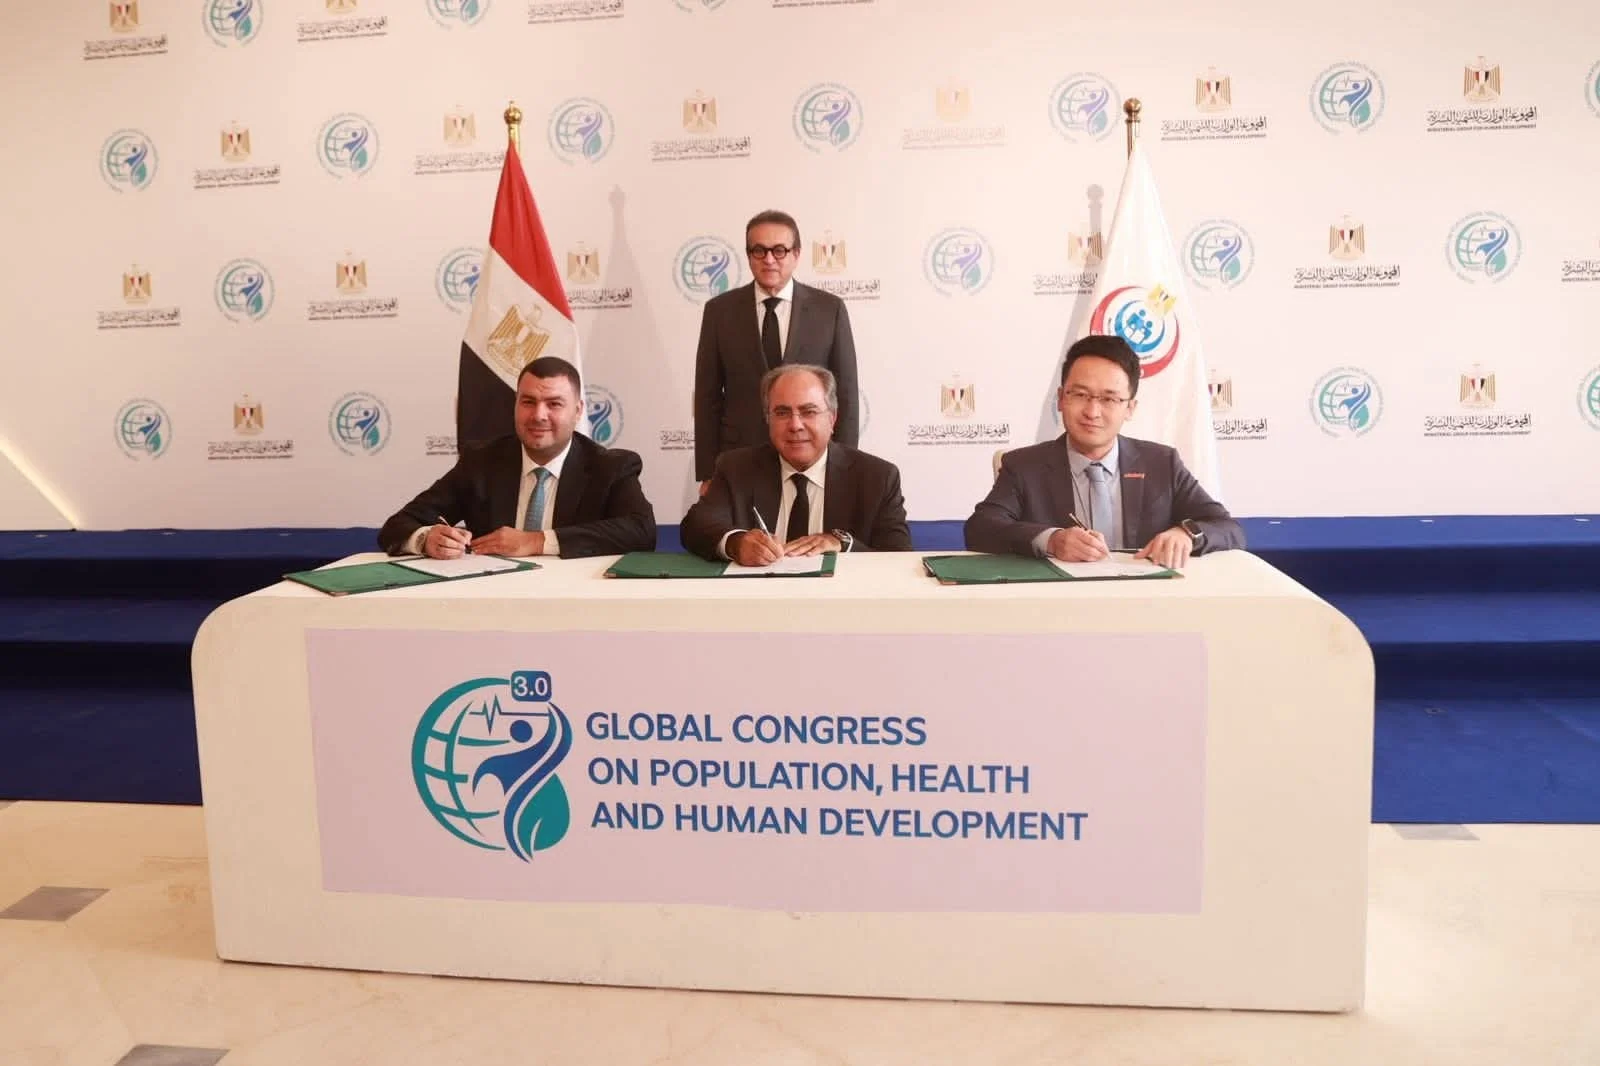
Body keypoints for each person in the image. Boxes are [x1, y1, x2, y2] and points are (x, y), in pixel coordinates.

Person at [964, 334, 1244, 569]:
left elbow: (1227, 527)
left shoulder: (1161, 463)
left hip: (1147, 604)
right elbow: (980, 529)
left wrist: (1186, 534)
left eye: (1109, 399)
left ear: (1130, 408)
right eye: (1080, 395)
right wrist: (1052, 540)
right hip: (1058, 606)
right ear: (1060, 399)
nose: (1092, 412)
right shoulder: (1024, 465)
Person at [378, 356, 655, 559]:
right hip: (493, 603)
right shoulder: (481, 462)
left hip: (577, 603)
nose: (539, 415)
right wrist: (426, 539)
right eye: (528, 402)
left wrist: (536, 542)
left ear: (578, 411)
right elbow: (397, 526)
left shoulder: (610, 467)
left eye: (554, 404)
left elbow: (642, 532)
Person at [693, 209, 859, 493]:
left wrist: (844, 466)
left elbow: (845, 394)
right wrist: (708, 472)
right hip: (739, 459)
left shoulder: (828, 309)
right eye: (759, 250)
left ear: (796, 254)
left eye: (779, 250)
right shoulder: (719, 312)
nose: (769, 259)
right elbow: (707, 397)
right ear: (748, 256)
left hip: (810, 455)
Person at [681, 365, 910, 565]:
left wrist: (843, 544)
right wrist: (736, 543)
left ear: (832, 419)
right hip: (758, 598)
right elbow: (695, 526)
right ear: (768, 419)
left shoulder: (877, 478)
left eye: (808, 412)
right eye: (782, 413)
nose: (795, 425)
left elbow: (898, 556)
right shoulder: (736, 468)